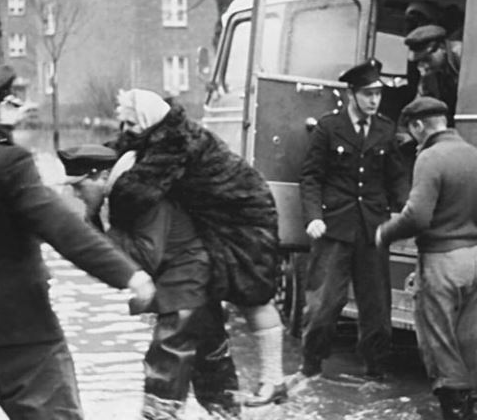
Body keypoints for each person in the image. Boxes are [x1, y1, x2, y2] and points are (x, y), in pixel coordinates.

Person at [0, 64, 155, 420]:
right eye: (14, 101)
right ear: (3, 107)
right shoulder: (10, 163)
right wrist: (130, 275)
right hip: (22, 333)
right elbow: (62, 228)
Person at [108, 88, 287, 407]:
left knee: (254, 294)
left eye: (130, 124)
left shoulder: (174, 145)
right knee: (229, 305)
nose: (126, 132)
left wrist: (104, 197)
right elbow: (130, 156)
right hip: (220, 213)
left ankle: (274, 379)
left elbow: (134, 192)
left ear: (147, 122)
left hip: (244, 214)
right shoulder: (162, 135)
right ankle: (229, 403)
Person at [58, 145, 241, 420]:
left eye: (80, 187)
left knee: (165, 369)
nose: (76, 194)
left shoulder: (145, 196)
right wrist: (93, 221)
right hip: (192, 283)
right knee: (212, 370)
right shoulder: (127, 193)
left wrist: (102, 229)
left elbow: (146, 255)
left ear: (102, 176)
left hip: (188, 283)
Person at [375, 97, 477, 420]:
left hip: (443, 260)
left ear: (418, 126)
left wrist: (385, 233)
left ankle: (456, 412)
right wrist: (474, 255)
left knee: (438, 344)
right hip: (475, 259)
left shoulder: (430, 158)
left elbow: (417, 217)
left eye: (411, 130)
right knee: (465, 340)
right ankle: (469, 407)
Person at [298, 60, 410, 381]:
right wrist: (313, 217)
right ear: (352, 94)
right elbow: (310, 178)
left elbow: (396, 177)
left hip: (373, 230)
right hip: (334, 228)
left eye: (378, 94)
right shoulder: (329, 128)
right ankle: (311, 368)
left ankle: (375, 371)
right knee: (323, 305)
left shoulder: (385, 130)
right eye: (368, 94)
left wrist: (405, 210)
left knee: (376, 307)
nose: (374, 101)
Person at [404, 24, 461, 126]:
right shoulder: (430, 74)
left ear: (442, 47)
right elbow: (420, 102)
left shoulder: (463, 56)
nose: (423, 66)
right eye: (418, 61)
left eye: (427, 59)